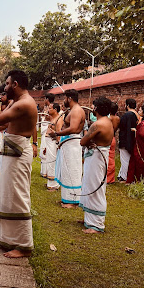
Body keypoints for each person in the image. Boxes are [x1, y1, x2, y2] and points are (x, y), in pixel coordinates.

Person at [0, 69, 38, 258]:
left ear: (15, 84)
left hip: (18, 152)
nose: (5, 87)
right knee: (8, 194)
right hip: (12, 150)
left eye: (7, 84)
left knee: (18, 196)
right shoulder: (16, 102)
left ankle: (23, 245)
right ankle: (9, 239)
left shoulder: (25, 103)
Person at [79, 96, 114, 234]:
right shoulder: (108, 121)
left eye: (94, 106)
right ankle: (90, 218)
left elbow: (82, 141)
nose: (92, 109)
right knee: (91, 184)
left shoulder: (98, 124)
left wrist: (87, 140)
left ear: (97, 108)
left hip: (97, 158)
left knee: (95, 187)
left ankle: (96, 224)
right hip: (98, 157)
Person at [50, 89, 85, 208]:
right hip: (68, 143)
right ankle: (67, 198)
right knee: (66, 170)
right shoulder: (73, 110)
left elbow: (74, 128)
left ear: (69, 98)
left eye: (65, 98)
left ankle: (72, 201)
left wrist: (57, 134)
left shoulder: (76, 111)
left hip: (72, 144)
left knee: (72, 171)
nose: (64, 101)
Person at [126, 104, 144, 183]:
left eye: (140, 110)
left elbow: (142, 134)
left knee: (140, 162)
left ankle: (140, 179)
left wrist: (135, 131)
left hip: (142, 146)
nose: (138, 111)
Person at [43, 102, 63, 191]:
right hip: (49, 144)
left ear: (55, 110)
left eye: (50, 108)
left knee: (52, 163)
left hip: (53, 144)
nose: (48, 110)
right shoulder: (53, 118)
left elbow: (59, 134)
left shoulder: (59, 119)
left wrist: (54, 137)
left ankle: (54, 185)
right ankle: (50, 182)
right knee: (49, 162)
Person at [117, 98, 138, 182]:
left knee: (125, 159)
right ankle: (121, 174)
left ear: (127, 105)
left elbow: (122, 127)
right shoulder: (136, 115)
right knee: (128, 158)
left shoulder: (126, 115)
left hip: (125, 139)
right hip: (132, 138)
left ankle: (124, 176)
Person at [40, 93, 55, 177]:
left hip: (47, 131)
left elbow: (50, 119)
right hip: (44, 131)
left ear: (47, 99)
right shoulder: (46, 108)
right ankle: (44, 171)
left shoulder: (51, 109)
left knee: (46, 151)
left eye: (45, 99)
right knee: (43, 150)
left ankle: (47, 172)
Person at [107, 102, 120, 184]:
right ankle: (111, 178)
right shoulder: (117, 118)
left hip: (108, 138)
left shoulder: (109, 119)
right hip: (113, 138)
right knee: (112, 158)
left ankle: (107, 178)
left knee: (107, 159)